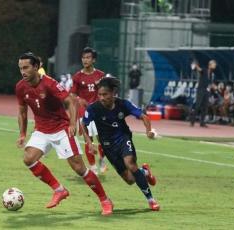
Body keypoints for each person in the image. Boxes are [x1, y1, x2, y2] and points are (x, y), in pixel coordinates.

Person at [15, 52, 113, 216]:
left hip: (61, 129)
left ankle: (105, 200)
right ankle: (59, 190)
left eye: (26, 68)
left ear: (36, 67)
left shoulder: (49, 84)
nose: (22, 72)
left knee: (79, 168)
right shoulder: (20, 87)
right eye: (20, 68)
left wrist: (73, 123)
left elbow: (71, 101)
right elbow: (22, 111)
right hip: (42, 130)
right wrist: (22, 134)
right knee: (29, 159)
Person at [81, 77, 160, 211]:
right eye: (99, 94)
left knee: (130, 163)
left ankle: (151, 200)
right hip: (108, 147)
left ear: (113, 93)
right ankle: (144, 172)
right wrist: (89, 142)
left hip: (123, 139)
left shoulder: (123, 104)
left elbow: (144, 116)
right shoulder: (93, 108)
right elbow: (83, 124)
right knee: (130, 179)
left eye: (105, 94)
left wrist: (148, 131)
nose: (101, 97)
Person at [70, 47, 107, 175]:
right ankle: (92, 167)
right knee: (88, 140)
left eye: (88, 58)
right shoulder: (77, 76)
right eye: (83, 57)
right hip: (84, 112)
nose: (85, 60)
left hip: (99, 112)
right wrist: (79, 99)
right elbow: (72, 95)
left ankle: (102, 159)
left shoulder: (100, 75)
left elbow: (106, 93)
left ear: (93, 60)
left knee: (102, 139)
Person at [189, 60, 217, 127]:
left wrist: (214, 86)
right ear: (210, 64)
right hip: (201, 89)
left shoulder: (211, 74)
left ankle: (202, 122)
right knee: (198, 105)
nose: (215, 66)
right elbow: (199, 69)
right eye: (214, 64)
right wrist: (195, 65)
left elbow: (209, 82)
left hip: (207, 91)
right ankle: (192, 121)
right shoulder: (205, 70)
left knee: (205, 107)